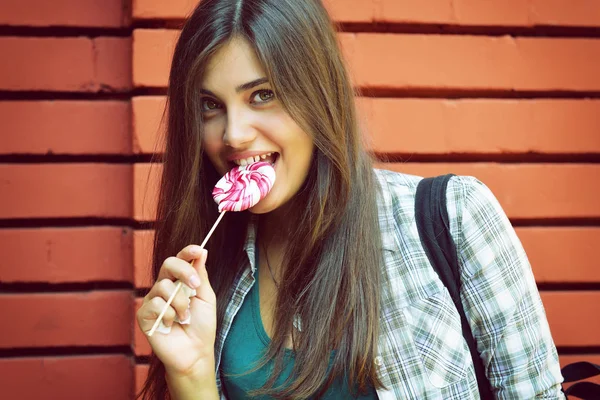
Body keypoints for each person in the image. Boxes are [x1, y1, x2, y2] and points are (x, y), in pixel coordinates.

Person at [135, 0, 565, 398]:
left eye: (262, 95)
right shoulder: (207, 272)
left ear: (319, 93)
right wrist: (191, 376)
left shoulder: (455, 217)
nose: (233, 134)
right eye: (210, 105)